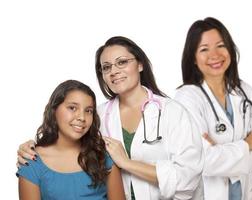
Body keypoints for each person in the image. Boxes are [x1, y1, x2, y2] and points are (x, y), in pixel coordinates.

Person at [17, 36, 204, 200]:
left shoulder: (173, 113)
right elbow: (64, 141)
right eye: (106, 67)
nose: (114, 71)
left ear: (140, 64)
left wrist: (127, 163)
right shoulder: (95, 115)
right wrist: (31, 147)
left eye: (122, 62)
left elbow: (188, 178)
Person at [174, 17, 252, 200]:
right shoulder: (187, 98)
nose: (215, 55)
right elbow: (202, 161)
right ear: (193, 58)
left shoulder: (245, 91)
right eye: (204, 49)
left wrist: (220, 151)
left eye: (220, 45)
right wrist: (248, 144)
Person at [16, 80, 125, 200]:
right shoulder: (32, 161)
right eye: (72, 108)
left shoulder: (103, 155)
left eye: (88, 111)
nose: (82, 117)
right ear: (54, 110)